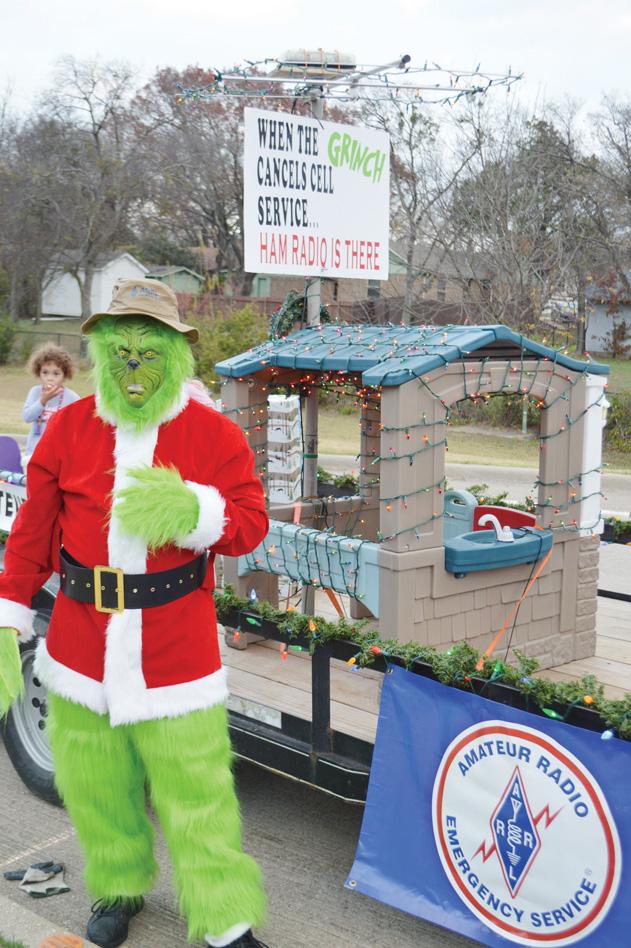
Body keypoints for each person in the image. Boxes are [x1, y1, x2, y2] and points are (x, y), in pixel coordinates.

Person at [0, 280, 269, 948]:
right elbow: (33, 531)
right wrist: (8, 615)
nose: (132, 368)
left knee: (198, 795)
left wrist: (195, 514)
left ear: (176, 353)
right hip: (79, 644)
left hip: (175, 647)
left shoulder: (213, 433)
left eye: (147, 354)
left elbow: (251, 524)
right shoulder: (66, 426)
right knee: (96, 786)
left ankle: (225, 917)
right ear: (99, 353)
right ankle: (118, 885)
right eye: (119, 354)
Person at [22, 344, 80, 459]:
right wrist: (42, 401)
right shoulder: (35, 392)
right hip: (34, 451)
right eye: (45, 372)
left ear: (64, 376)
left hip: (58, 454)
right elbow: (27, 417)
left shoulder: (72, 397)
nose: (50, 378)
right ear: (38, 372)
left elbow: (80, 424)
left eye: (56, 373)